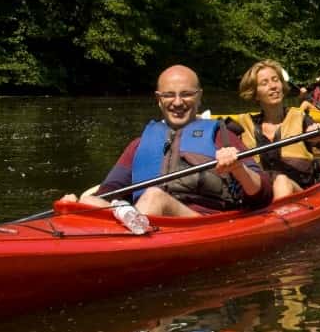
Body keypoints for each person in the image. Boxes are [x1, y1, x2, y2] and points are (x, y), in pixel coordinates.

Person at [61, 64, 272, 219]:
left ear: (199, 97)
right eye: (169, 95)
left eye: (187, 94)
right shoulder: (138, 144)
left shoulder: (222, 136)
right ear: (159, 99)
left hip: (199, 223)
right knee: (87, 200)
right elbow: (110, 191)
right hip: (146, 220)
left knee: (155, 196)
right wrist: (77, 207)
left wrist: (238, 169)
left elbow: (263, 194)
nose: (178, 102)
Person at [228, 59, 320, 200]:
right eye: (264, 83)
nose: (273, 86)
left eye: (276, 80)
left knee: (282, 181)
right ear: (255, 93)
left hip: (301, 195)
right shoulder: (241, 125)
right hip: (262, 197)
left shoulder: (301, 120)